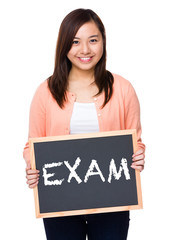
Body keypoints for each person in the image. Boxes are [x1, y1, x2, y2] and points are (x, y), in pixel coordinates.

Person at [23, 8, 145, 240]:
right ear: (64, 45)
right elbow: (31, 146)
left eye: (93, 40)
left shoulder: (123, 88)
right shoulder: (45, 92)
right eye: (75, 41)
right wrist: (33, 168)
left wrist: (138, 156)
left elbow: (135, 143)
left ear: (103, 42)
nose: (85, 50)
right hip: (59, 202)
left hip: (112, 203)